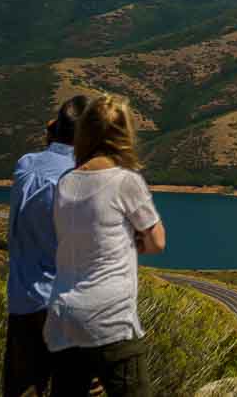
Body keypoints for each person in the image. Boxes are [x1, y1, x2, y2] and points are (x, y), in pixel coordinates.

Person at [44, 93, 167, 397]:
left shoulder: (65, 182)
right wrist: (130, 241)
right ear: (124, 134)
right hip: (109, 318)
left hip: (64, 319)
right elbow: (156, 242)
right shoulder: (126, 181)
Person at [4, 94, 92, 397]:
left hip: (23, 302)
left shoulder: (26, 166)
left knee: (25, 389)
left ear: (54, 129)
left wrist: (54, 132)